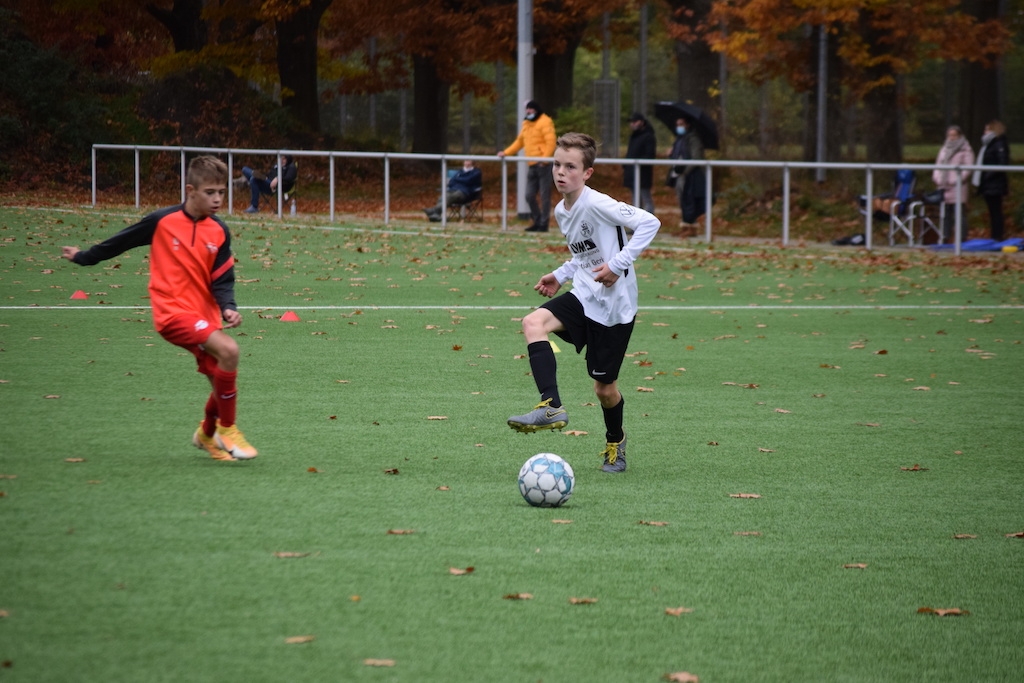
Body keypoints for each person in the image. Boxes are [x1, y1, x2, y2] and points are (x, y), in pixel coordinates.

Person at [61, 155, 258, 462]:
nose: (218, 199)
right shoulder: (162, 221)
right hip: (172, 313)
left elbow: (222, 277)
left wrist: (228, 307)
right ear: (190, 190)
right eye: (210, 192)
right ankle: (228, 429)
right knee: (230, 351)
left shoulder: (219, 230)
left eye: (222, 192)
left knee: (218, 376)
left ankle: (207, 434)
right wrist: (84, 256)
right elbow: (121, 242)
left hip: (203, 315)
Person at [506, 132, 661, 474]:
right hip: (584, 295)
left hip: (615, 308)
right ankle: (551, 406)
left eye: (571, 167)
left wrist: (617, 265)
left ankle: (615, 442)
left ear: (587, 173)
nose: (561, 172)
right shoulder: (562, 210)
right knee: (533, 323)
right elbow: (583, 254)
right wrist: (560, 275)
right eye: (557, 164)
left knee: (604, 390)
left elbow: (650, 223)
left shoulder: (598, 203)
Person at [497, 100, 557, 232]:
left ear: (536, 109)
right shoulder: (526, 123)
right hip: (532, 164)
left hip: (543, 165)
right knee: (529, 195)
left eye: (530, 109)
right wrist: (506, 152)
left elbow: (551, 142)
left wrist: (544, 160)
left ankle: (544, 223)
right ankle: (537, 220)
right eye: (527, 109)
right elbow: (520, 142)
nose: (528, 111)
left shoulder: (545, 121)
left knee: (544, 196)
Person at [931, 126, 974, 242]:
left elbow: (968, 167)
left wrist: (957, 180)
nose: (951, 137)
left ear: (959, 136)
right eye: (949, 135)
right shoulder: (944, 149)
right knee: (945, 213)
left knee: (959, 213)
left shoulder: (965, 149)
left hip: (958, 186)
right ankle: (945, 237)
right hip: (943, 185)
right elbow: (938, 165)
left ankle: (962, 238)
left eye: (954, 135)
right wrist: (937, 178)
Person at [972, 120, 1011, 241]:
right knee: (993, 211)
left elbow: (1001, 163)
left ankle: (998, 236)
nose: (984, 132)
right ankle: (995, 235)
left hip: (994, 184)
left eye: (987, 129)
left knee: (996, 211)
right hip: (989, 184)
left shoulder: (998, 144)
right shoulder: (989, 145)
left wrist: (987, 176)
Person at [668, 116, 706, 231]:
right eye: (677, 124)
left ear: (687, 125)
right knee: (682, 200)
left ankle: (690, 226)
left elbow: (696, 157)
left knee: (689, 201)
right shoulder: (679, 139)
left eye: (681, 124)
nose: (678, 127)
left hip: (690, 175)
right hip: (679, 174)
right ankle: (686, 225)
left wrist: (685, 171)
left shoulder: (693, 139)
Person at [622, 112, 656, 214]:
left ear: (642, 122)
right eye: (631, 122)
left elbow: (649, 155)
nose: (632, 124)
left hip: (642, 174)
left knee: (645, 198)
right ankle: (636, 221)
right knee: (635, 200)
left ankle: (649, 221)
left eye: (635, 121)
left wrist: (637, 164)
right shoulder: (634, 137)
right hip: (632, 173)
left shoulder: (648, 137)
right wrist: (626, 165)